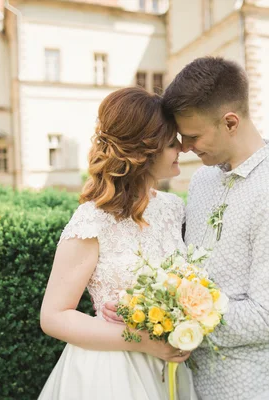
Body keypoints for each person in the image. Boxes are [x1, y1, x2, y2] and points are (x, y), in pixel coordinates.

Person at [103, 57, 269, 400]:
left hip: (253, 387)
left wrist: (166, 315)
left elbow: (267, 317)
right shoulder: (201, 180)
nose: (184, 148)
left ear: (230, 122)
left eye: (193, 136)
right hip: (186, 384)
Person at [38, 87, 197, 400]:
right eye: (170, 142)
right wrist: (144, 341)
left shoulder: (173, 208)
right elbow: (54, 316)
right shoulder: (92, 220)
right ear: (143, 153)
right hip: (110, 372)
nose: (182, 148)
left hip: (168, 369)